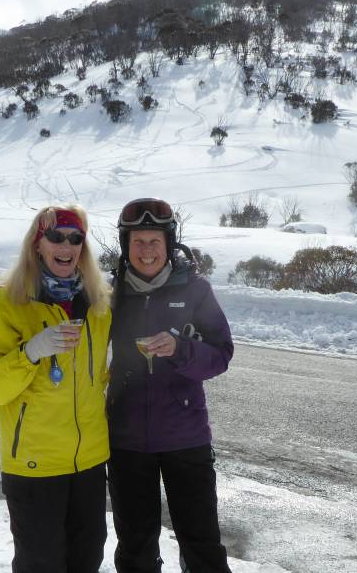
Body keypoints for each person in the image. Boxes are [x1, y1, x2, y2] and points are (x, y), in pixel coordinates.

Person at [0, 204, 112, 573]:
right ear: (38, 244)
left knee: (86, 562)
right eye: (56, 236)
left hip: (90, 464)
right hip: (35, 467)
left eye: (75, 238)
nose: (66, 245)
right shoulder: (10, 303)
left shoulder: (98, 304)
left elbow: (103, 377)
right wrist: (31, 352)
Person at [108, 197, 234, 573]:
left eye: (154, 242)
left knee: (202, 543)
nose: (146, 251)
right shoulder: (110, 294)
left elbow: (221, 354)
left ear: (169, 244)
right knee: (135, 546)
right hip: (127, 441)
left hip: (186, 439)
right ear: (126, 246)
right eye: (138, 242)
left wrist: (182, 349)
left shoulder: (195, 291)